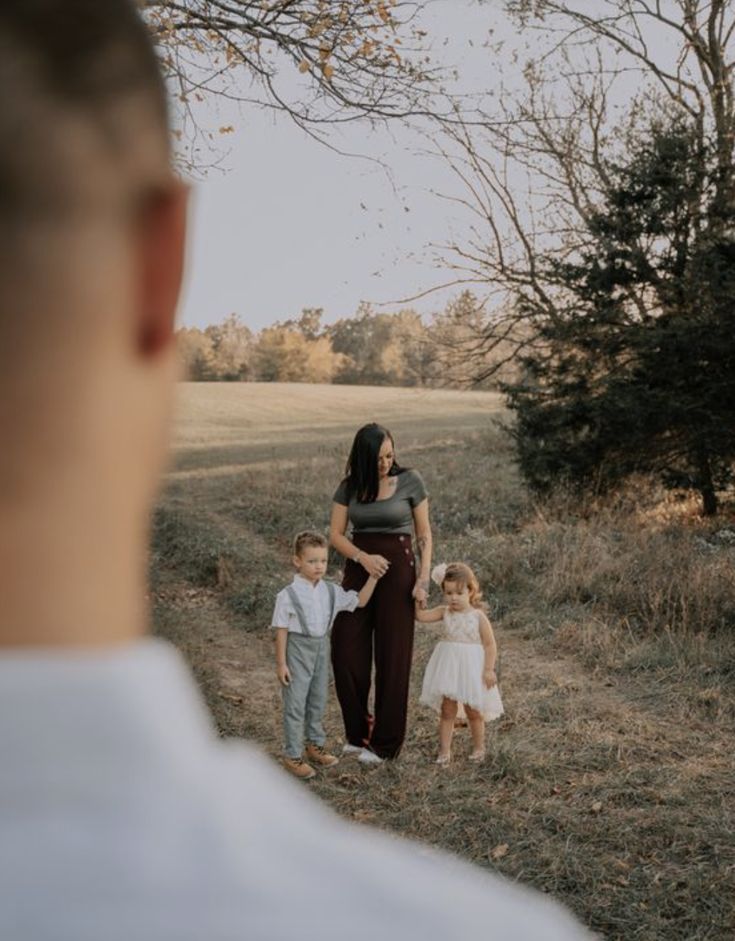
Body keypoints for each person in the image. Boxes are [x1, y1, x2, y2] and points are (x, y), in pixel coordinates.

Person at [0, 2, 593, 938]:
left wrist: (418, 567)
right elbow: (341, 530)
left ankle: (380, 738)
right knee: (348, 661)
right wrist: (354, 563)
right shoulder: (468, 928)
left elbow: (421, 531)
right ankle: (352, 738)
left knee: (392, 661)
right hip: (365, 583)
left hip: (397, 582)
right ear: (162, 265)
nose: (390, 457)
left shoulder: (413, 490)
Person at [329, 423, 432, 765]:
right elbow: (336, 535)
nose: (386, 463)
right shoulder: (349, 488)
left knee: (393, 656)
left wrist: (423, 580)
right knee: (345, 648)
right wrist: (362, 558)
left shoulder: (410, 481)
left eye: (389, 455)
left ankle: (385, 745)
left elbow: (424, 536)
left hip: (399, 572)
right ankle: (358, 733)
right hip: (360, 569)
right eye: (378, 458)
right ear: (362, 458)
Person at [272, 531, 380, 780]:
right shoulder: (287, 595)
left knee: (318, 698)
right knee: (296, 703)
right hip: (298, 650)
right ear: (297, 561)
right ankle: (292, 754)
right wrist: (281, 663)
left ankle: (314, 745)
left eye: (322, 560)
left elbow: (360, 601)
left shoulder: (331, 591)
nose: (319, 566)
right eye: (312, 561)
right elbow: (281, 629)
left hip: (322, 648)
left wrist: (373, 577)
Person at [418, 563, 504, 765]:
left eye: (458, 592)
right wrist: (419, 600)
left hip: (471, 668)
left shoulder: (477, 616)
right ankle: (445, 751)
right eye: (448, 593)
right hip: (449, 668)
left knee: (473, 711)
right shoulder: (444, 612)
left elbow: (490, 644)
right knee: (447, 711)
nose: (453, 598)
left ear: (470, 591)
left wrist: (489, 669)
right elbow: (420, 617)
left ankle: (479, 748)